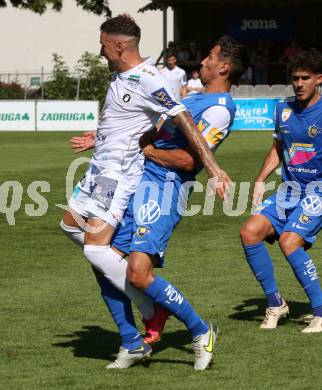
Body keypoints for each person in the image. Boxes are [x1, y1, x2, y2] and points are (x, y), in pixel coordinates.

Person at [61, 15, 232, 367]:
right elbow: (137, 121)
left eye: (104, 44)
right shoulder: (122, 77)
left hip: (117, 177)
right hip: (97, 171)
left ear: (119, 45)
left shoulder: (149, 78)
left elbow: (181, 116)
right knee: (72, 228)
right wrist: (99, 137)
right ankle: (135, 336)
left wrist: (214, 169)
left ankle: (178, 321)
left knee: (98, 253)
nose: (100, 50)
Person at [240, 49, 322, 333]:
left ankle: (320, 311)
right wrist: (261, 178)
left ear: (318, 79)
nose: (299, 83)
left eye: (305, 78)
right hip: (289, 190)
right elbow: (277, 149)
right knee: (249, 232)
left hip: (318, 192)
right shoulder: (282, 109)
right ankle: (276, 304)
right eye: (295, 78)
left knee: (289, 242)